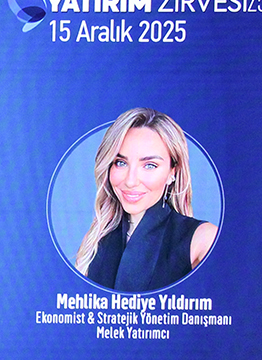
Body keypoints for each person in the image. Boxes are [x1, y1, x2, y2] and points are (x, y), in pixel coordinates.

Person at [74, 108, 218, 292]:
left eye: (150, 165)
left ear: (172, 172)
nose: (130, 181)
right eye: (121, 163)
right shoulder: (95, 240)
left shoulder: (202, 239)